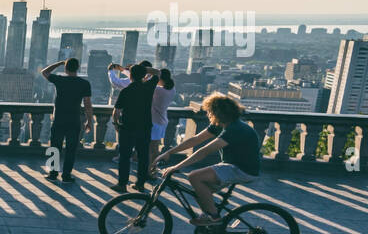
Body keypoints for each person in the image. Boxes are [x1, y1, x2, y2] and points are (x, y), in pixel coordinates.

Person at [152, 92, 261, 225]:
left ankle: (213, 217)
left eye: (209, 111)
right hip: (233, 165)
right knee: (201, 191)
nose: (207, 114)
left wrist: (176, 167)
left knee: (194, 177)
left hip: (242, 169)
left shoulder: (235, 129)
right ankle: (209, 223)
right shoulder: (221, 124)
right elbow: (195, 140)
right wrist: (169, 152)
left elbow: (204, 152)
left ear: (217, 113)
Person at [40, 56, 92, 183]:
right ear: (78, 68)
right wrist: (89, 120)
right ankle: (66, 175)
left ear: (66, 68)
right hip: (74, 120)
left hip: (59, 119)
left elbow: (44, 72)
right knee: (71, 149)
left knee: (55, 147)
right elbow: (87, 104)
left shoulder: (60, 80)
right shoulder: (84, 84)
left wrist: (59, 63)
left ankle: (53, 174)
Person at [111, 61, 158, 191]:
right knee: (143, 156)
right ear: (143, 75)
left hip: (127, 127)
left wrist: (116, 124)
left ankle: (122, 184)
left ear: (130, 76)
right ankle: (140, 184)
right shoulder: (149, 87)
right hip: (145, 127)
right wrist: (145, 69)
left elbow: (116, 111)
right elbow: (158, 72)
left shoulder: (126, 91)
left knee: (125, 157)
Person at [150, 68, 176, 162]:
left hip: (154, 122)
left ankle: (151, 169)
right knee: (155, 147)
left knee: (152, 149)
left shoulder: (158, 90)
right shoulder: (172, 89)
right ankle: (153, 168)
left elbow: (144, 84)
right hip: (162, 121)